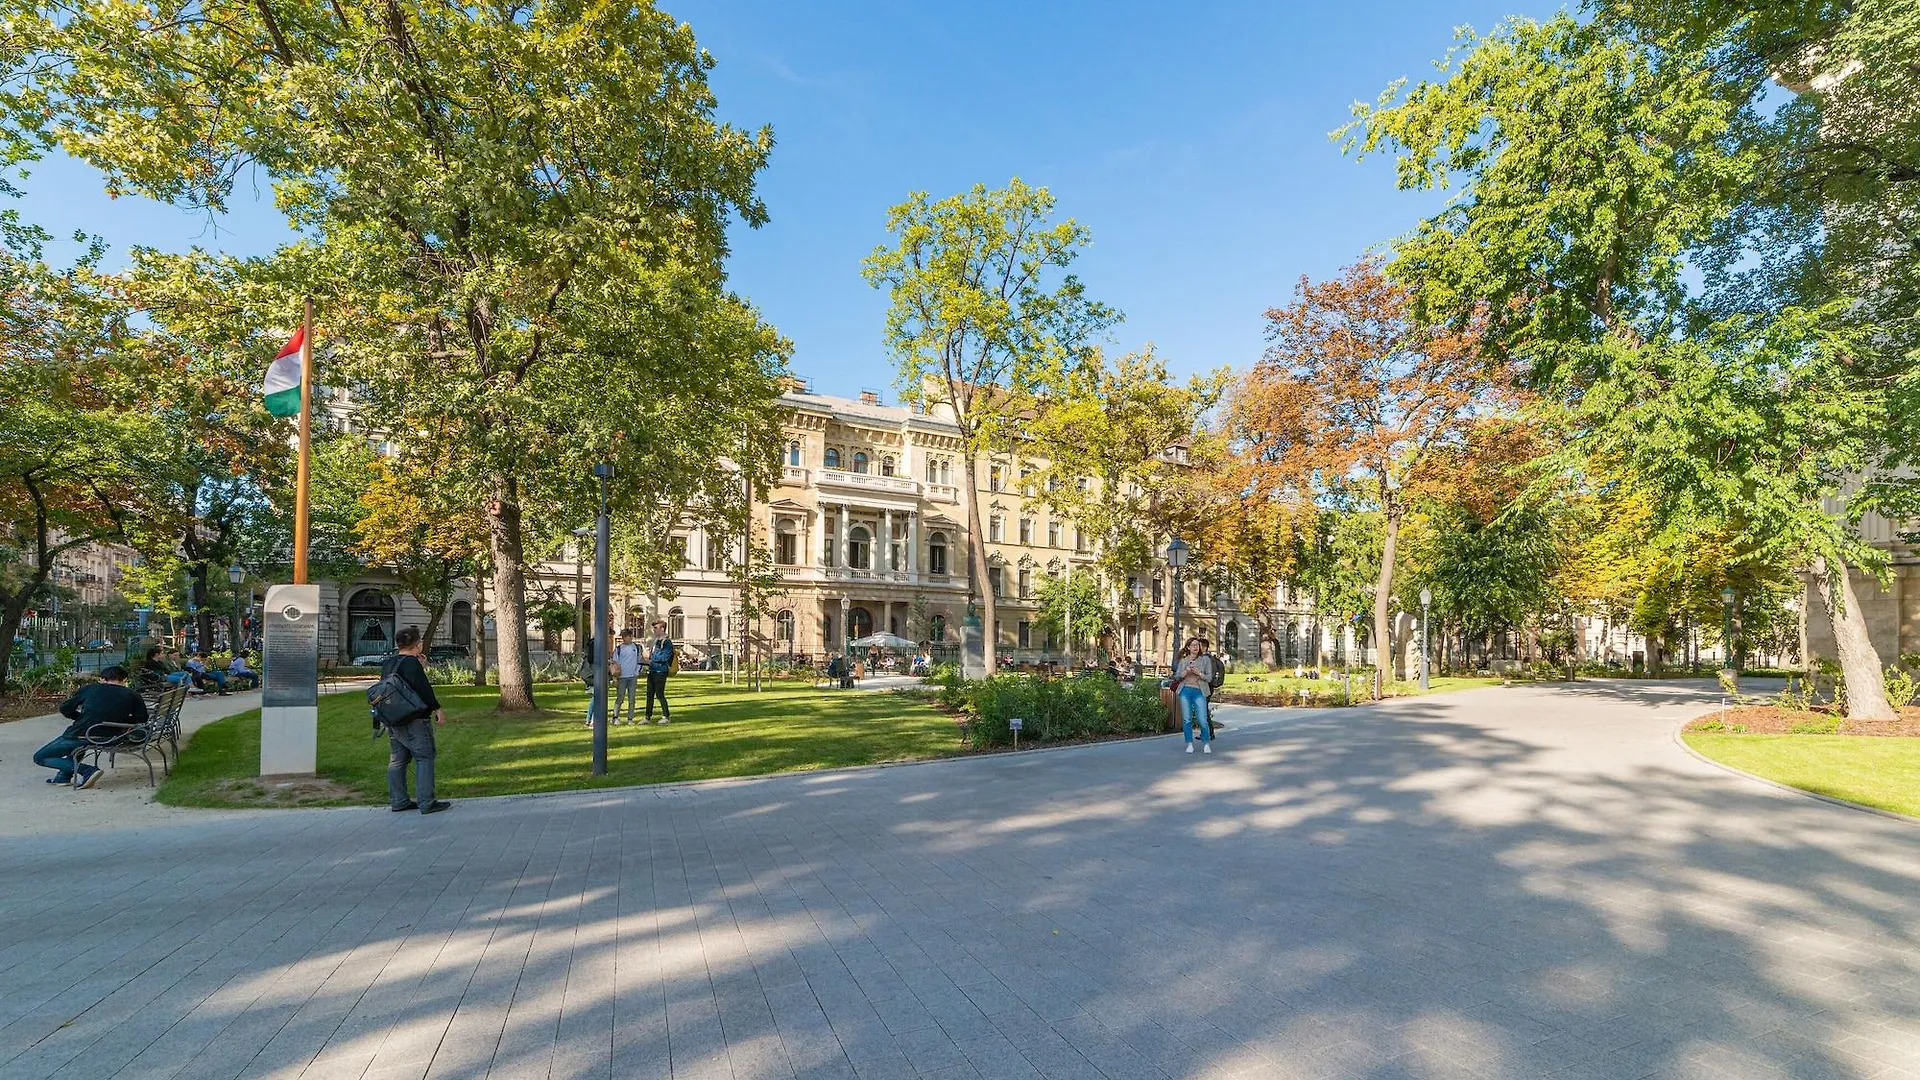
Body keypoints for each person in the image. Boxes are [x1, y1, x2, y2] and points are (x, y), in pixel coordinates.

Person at [36, 665, 147, 789]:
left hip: (83, 734)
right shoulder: (133, 694)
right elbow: (142, 718)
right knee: (78, 746)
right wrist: (119, 721)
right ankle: (63, 777)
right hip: (114, 737)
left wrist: (79, 718)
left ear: (102, 679)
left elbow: (65, 708)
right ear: (124, 680)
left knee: (40, 757)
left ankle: (87, 771)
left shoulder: (90, 689)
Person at [380, 627, 449, 815]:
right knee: (424, 757)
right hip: (415, 719)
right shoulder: (412, 664)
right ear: (418, 644)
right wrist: (437, 709)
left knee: (398, 759)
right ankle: (427, 802)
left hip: (394, 718)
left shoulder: (389, 663)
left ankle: (399, 800)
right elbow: (423, 689)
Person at [1174, 637, 1218, 754]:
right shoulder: (1184, 661)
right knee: (1187, 719)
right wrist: (1186, 671)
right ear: (1188, 647)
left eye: (1197, 645)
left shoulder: (1205, 660)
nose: (1195, 647)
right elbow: (1177, 676)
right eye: (1193, 645)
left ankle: (1206, 742)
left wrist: (1199, 673)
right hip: (1185, 691)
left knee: (1202, 719)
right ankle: (1189, 743)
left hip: (1199, 691)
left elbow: (1209, 678)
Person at [644, 619, 676, 724]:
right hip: (652, 670)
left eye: (656, 628)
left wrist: (651, 658)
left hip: (660, 671)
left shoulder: (666, 642)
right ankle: (647, 717)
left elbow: (665, 657)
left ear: (662, 628)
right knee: (649, 694)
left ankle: (666, 716)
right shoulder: (656, 641)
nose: (654, 630)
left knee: (660, 694)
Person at [613, 630, 642, 725]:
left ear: (630, 636)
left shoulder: (637, 647)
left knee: (631, 699)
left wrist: (636, 672)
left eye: (625, 636)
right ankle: (615, 717)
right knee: (620, 698)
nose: (623, 639)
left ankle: (630, 718)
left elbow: (639, 661)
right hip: (621, 677)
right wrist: (616, 675)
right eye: (623, 637)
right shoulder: (619, 649)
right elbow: (615, 662)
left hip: (632, 677)